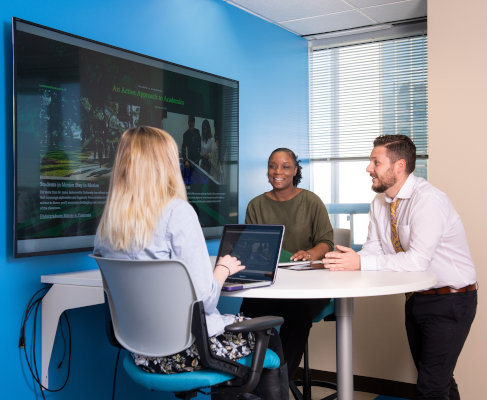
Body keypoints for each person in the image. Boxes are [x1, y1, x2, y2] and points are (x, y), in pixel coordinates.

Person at [94, 126, 288, 400]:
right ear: (165, 165)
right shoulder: (177, 213)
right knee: (270, 335)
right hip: (190, 353)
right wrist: (222, 270)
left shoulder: (108, 226)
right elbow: (205, 301)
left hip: (142, 356)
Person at [322, 134, 477, 400]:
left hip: (451, 300)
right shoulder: (380, 203)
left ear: (399, 166)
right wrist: (350, 259)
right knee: (439, 381)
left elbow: (417, 261)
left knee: (431, 387)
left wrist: (361, 262)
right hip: (416, 299)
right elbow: (374, 248)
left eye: (375, 162)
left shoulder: (428, 200)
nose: (368, 168)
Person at [240, 147, 334, 381]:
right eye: (272, 166)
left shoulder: (311, 201)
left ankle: (278, 384)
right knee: (246, 314)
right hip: (268, 286)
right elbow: (251, 246)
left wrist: (310, 253)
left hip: (306, 288)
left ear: (295, 170)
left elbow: (326, 242)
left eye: (285, 166)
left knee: (297, 316)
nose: (277, 171)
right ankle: (249, 381)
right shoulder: (256, 205)